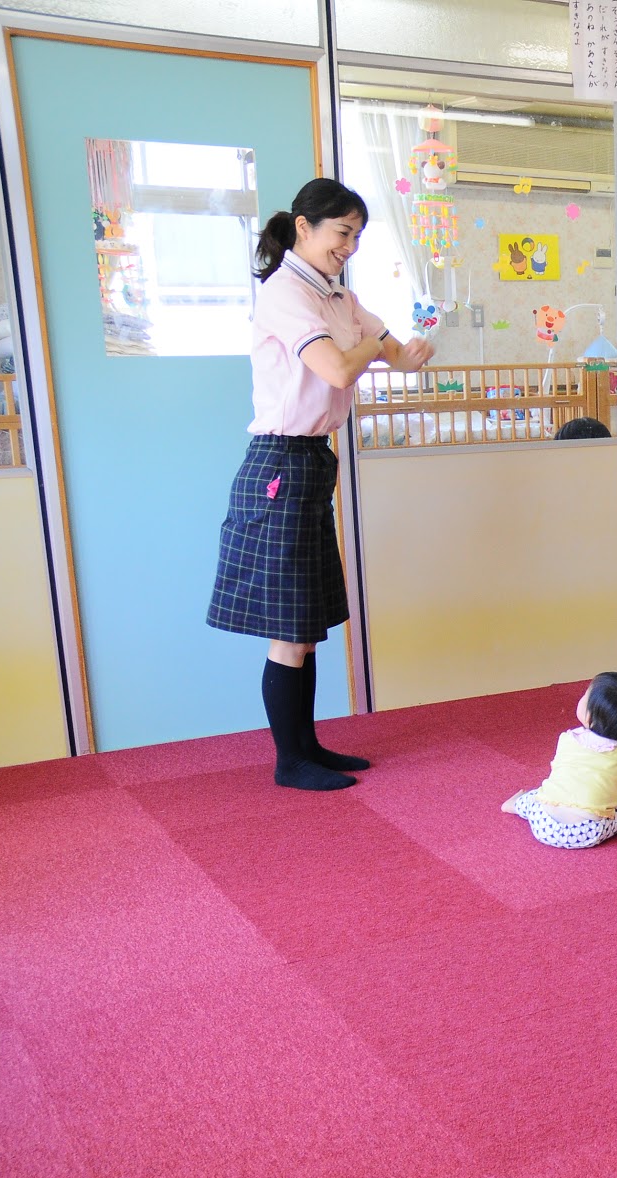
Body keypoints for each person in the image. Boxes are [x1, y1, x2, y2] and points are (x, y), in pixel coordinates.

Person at [208, 178, 434, 790]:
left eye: (358, 235)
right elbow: (337, 366)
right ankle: (290, 762)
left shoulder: (335, 291)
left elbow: (392, 352)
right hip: (279, 464)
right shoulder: (285, 292)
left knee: (304, 626)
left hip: (309, 462)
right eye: (342, 232)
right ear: (304, 228)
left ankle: (307, 747)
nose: (350, 245)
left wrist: (409, 349)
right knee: (289, 629)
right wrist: (369, 344)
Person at [500, 671, 617, 848]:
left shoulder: (568, 738)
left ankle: (514, 805)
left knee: (537, 796)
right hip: (588, 831)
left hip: (544, 823)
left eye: (585, 696)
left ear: (589, 717)